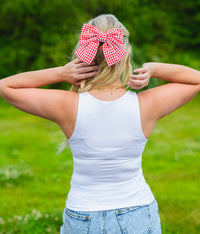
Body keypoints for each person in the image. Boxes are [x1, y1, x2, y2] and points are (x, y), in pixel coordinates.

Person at [0, 14, 199, 234]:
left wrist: (60, 73)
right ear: (126, 56)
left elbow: (6, 87)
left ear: (85, 56)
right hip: (137, 212)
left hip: (82, 215)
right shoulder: (146, 105)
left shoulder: (67, 105)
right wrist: (154, 69)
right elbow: (196, 79)